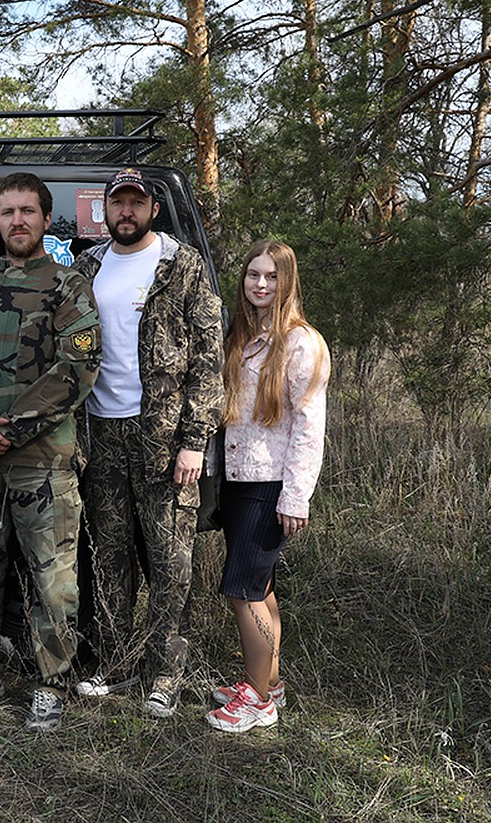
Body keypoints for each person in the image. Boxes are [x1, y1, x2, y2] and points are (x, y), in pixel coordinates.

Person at [0, 171, 101, 732]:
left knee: (52, 576)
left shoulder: (69, 288)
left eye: (28, 211)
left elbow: (77, 369)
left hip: (43, 461)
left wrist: (9, 426)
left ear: (45, 219)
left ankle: (50, 683)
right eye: (8, 212)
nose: (18, 221)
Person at [72, 167, 223, 719]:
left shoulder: (181, 266)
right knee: (109, 557)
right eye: (119, 203)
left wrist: (194, 440)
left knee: (170, 561)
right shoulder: (87, 268)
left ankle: (165, 673)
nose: (127, 212)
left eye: (137, 202)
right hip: (102, 433)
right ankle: (113, 662)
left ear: (152, 209)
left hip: (164, 438)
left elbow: (209, 361)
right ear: (106, 211)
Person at [206, 240, 330, 733]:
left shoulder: (302, 343)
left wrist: (295, 496)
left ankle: (258, 700)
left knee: (242, 591)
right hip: (237, 477)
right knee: (262, 586)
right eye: (253, 275)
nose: (260, 284)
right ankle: (268, 679)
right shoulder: (241, 333)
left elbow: (308, 425)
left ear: (287, 281)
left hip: (270, 482)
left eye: (271, 277)